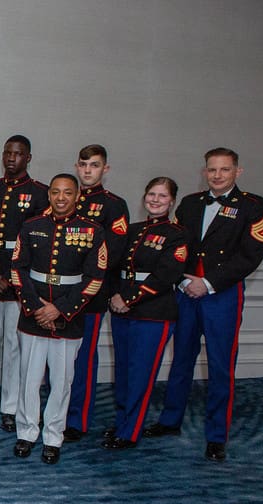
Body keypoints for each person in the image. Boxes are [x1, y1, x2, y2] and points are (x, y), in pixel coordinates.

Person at [145, 148, 263, 461]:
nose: (217, 175)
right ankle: (170, 420)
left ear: (237, 172)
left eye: (224, 169)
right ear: (204, 172)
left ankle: (216, 436)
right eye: (212, 169)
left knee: (220, 365)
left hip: (222, 295)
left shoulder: (253, 206)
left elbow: (250, 255)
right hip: (187, 292)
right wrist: (183, 280)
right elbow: (175, 247)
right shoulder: (190, 203)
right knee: (181, 359)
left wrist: (209, 283)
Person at [10, 174, 105, 464]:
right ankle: (26, 432)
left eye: (67, 192)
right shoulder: (31, 226)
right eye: (55, 192)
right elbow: (18, 269)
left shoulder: (93, 230)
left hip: (69, 317)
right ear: (49, 195)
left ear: (77, 196)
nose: (61, 198)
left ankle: (53, 436)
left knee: (62, 382)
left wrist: (60, 309)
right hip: (33, 315)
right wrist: (36, 308)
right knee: (28, 379)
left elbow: (94, 278)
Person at [0, 135, 49, 432]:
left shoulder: (39, 193)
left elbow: (37, 244)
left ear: (28, 158)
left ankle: (11, 405)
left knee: (15, 345)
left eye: (18, 153)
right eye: (7, 153)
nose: (11, 158)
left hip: (18, 283)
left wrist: (13, 278)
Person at [105, 178, 187, 449]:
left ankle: (131, 431)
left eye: (162, 196)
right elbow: (113, 266)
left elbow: (165, 275)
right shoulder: (132, 230)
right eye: (151, 194)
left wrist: (128, 298)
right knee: (123, 371)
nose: (155, 200)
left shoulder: (177, 234)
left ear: (172, 201)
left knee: (141, 373)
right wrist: (114, 296)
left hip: (153, 313)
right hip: (121, 309)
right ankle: (122, 422)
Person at [64, 145, 129, 442]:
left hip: (89, 294)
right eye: (83, 164)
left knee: (83, 359)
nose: (88, 170)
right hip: (58, 293)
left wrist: (79, 279)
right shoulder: (64, 199)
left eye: (94, 165)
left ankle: (77, 419)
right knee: (57, 359)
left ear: (106, 169)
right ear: (76, 167)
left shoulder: (113, 205)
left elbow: (112, 253)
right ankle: (57, 410)